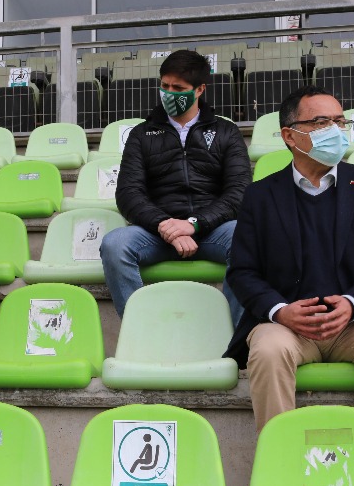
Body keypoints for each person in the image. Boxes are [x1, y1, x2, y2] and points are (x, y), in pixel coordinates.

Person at [225, 85, 354, 448]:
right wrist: (280, 311)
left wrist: (353, 304)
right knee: (268, 351)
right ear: (291, 136)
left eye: (340, 121)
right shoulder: (260, 195)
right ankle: (280, 462)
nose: (336, 130)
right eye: (322, 121)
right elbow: (242, 271)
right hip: (289, 326)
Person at [101, 50, 250, 323]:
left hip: (213, 229)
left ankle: (234, 338)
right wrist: (167, 226)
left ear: (200, 90)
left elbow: (239, 192)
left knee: (247, 236)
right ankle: (141, 331)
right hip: (157, 232)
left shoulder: (226, 132)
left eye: (178, 88)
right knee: (115, 244)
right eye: (165, 86)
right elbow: (128, 193)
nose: (169, 93)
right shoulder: (142, 134)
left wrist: (194, 224)